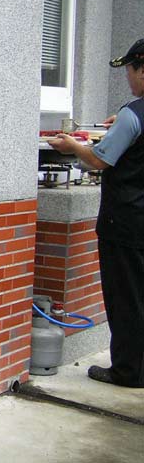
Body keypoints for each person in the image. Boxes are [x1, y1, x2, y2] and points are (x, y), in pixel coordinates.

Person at [49, 38, 144, 388]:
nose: (128, 78)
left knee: (126, 297)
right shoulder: (131, 116)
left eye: (130, 70)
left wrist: (73, 146)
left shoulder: (133, 115)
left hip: (126, 223)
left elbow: (99, 160)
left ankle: (127, 371)